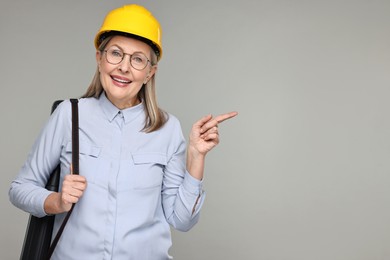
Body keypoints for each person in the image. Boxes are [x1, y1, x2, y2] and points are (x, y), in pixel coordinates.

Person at [9, 4, 237, 260]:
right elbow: (20, 188)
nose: (124, 67)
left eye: (137, 59)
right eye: (115, 54)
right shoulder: (68, 115)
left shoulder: (168, 127)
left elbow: (182, 221)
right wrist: (57, 201)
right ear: (99, 58)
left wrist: (196, 157)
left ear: (150, 72)